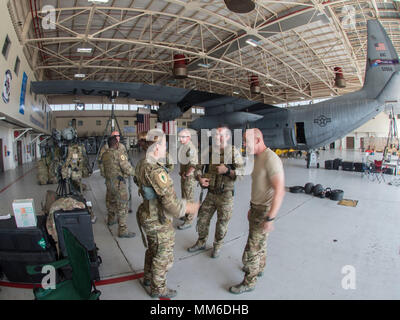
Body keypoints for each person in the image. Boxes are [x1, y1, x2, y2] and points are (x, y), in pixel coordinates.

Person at [134, 129, 200, 298]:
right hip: (157, 219)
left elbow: (136, 180)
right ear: (156, 148)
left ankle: (148, 278)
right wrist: (189, 208)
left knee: (152, 250)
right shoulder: (156, 172)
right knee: (163, 256)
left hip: (147, 214)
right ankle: (158, 289)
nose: (166, 148)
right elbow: (171, 205)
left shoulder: (142, 164)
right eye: (164, 145)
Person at [229, 128, 285, 294]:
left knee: (252, 249)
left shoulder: (271, 160)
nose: (244, 145)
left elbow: (279, 190)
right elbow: (259, 185)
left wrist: (270, 218)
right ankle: (260, 267)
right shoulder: (257, 158)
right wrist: (252, 207)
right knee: (260, 244)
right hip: (256, 208)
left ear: (259, 140)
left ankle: (249, 282)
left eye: (247, 141)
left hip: (264, 212)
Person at [188, 126, 244, 258]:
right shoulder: (208, 152)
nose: (218, 138)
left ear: (228, 137)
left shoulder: (233, 152)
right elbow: (197, 169)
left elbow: (241, 174)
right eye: (216, 136)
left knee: (222, 224)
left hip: (226, 196)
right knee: (202, 219)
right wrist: (200, 178)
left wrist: (227, 171)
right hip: (211, 193)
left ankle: (217, 245)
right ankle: (201, 241)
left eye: (221, 135)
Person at [101, 135, 136, 238]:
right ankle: (123, 230)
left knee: (111, 201)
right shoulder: (119, 154)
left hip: (109, 183)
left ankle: (111, 220)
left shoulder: (104, 155)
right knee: (122, 206)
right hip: (118, 184)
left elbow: (102, 170)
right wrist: (137, 173)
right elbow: (127, 169)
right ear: (116, 144)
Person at [177, 128, 198, 230]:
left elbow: (193, 165)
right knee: (184, 197)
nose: (180, 139)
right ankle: (185, 215)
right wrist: (182, 172)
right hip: (184, 176)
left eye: (183, 137)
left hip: (189, 178)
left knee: (189, 199)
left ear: (188, 137)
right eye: (179, 137)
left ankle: (189, 220)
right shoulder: (183, 147)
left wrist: (187, 174)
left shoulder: (191, 148)